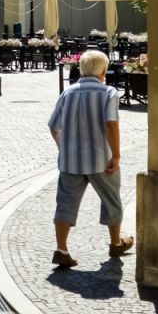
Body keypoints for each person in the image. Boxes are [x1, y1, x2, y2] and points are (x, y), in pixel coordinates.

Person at [48, 50, 132, 268]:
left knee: (65, 203)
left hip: (70, 160)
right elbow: (111, 123)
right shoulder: (108, 93)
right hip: (101, 160)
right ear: (103, 71)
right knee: (111, 199)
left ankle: (61, 249)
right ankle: (115, 243)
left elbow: (53, 125)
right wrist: (116, 155)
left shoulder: (67, 93)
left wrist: (63, 147)